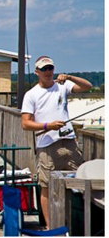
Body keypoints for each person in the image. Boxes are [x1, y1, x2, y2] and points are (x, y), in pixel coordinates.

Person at [21, 56, 91, 230]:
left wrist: (70, 77)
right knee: (46, 186)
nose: (48, 72)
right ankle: (51, 227)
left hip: (69, 142)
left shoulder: (62, 87)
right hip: (46, 145)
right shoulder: (31, 95)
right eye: (44, 69)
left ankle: (76, 224)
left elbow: (87, 87)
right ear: (37, 72)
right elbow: (26, 123)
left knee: (78, 183)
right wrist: (47, 126)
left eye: (50, 68)